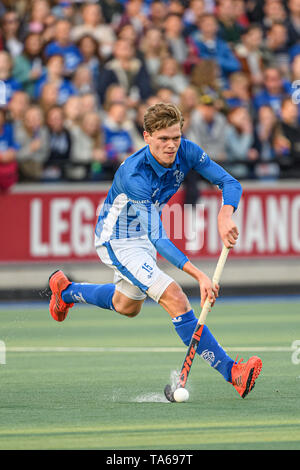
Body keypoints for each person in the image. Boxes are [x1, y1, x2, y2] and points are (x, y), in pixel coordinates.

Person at [48, 102, 262, 399]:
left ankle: (65, 290)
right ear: (147, 137)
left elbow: (228, 181)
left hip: (143, 238)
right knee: (175, 296)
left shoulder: (186, 150)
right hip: (118, 239)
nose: (171, 145)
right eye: (163, 139)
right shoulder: (134, 175)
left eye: (175, 137)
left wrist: (225, 214)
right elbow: (160, 239)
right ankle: (233, 372)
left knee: (127, 306)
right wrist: (199, 275)